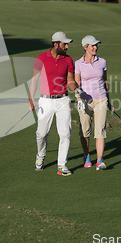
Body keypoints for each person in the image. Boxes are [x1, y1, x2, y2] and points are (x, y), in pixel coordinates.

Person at [29, 32, 81, 176]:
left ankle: (62, 165)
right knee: (41, 133)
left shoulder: (68, 60)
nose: (67, 47)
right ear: (56, 44)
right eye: (65, 44)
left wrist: (76, 89)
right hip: (45, 100)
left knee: (65, 133)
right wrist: (31, 99)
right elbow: (34, 79)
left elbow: (70, 80)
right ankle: (40, 155)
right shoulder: (41, 58)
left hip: (63, 100)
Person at [75, 35, 112, 171]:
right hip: (85, 100)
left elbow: (105, 82)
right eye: (92, 45)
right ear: (85, 48)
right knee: (85, 130)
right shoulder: (78, 63)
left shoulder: (102, 62)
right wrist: (79, 99)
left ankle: (100, 160)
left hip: (101, 99)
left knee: (100, 130)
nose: (95, 47)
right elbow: (76, 83)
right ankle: (86, 155)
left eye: (96, 45)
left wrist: (109, 101)